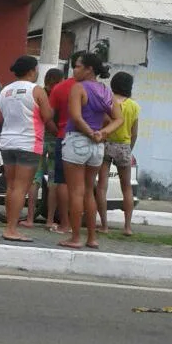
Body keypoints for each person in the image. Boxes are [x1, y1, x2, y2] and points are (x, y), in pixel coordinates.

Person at [59, 52, 122, 249]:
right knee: (89, 191)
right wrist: (102, 134)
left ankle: (75, 237)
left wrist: (91, 133)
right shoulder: (105, 90)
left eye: (77, 66)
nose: (74, 70)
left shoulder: (78, 88)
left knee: (75, 192)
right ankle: (92, 238)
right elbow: (119, 119)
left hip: (78, 140)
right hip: (97, 147)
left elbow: (76, 117)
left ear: (89, 69)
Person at [0, 56, 53, 242]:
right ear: (32, 70)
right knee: (21, 188)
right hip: (29, 142)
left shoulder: (5, 90)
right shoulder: (36, 90)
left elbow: (3, 115)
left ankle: (9, 226)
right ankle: (11, 229)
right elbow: (46, 116)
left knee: (12, 187)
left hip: (7, 142)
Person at [96, 72, 140, 235]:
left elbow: (103, 123)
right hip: (124, 146)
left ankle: (104, 225)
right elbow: (134, 132)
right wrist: (130, 148)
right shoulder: (134, 106)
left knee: (102, 186)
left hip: (106, 143)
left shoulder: (107, 101)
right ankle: (127, 227)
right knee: (126, 187)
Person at [47, 52, 84, 234]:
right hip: (88, 139)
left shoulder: (60, 88)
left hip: (64, 137)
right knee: (82, 184)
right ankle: (80, 226)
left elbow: (48, 115)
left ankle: (65, 224)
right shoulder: (97, 89)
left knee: (62, 182)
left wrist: (56, 131)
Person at [22, 68, 63, 229]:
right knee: (53, 182)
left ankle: (30, 219)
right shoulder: (61, 95)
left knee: (35, 180)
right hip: (56, 140)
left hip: (37, 139)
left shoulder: (38, 94)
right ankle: (49, 220)